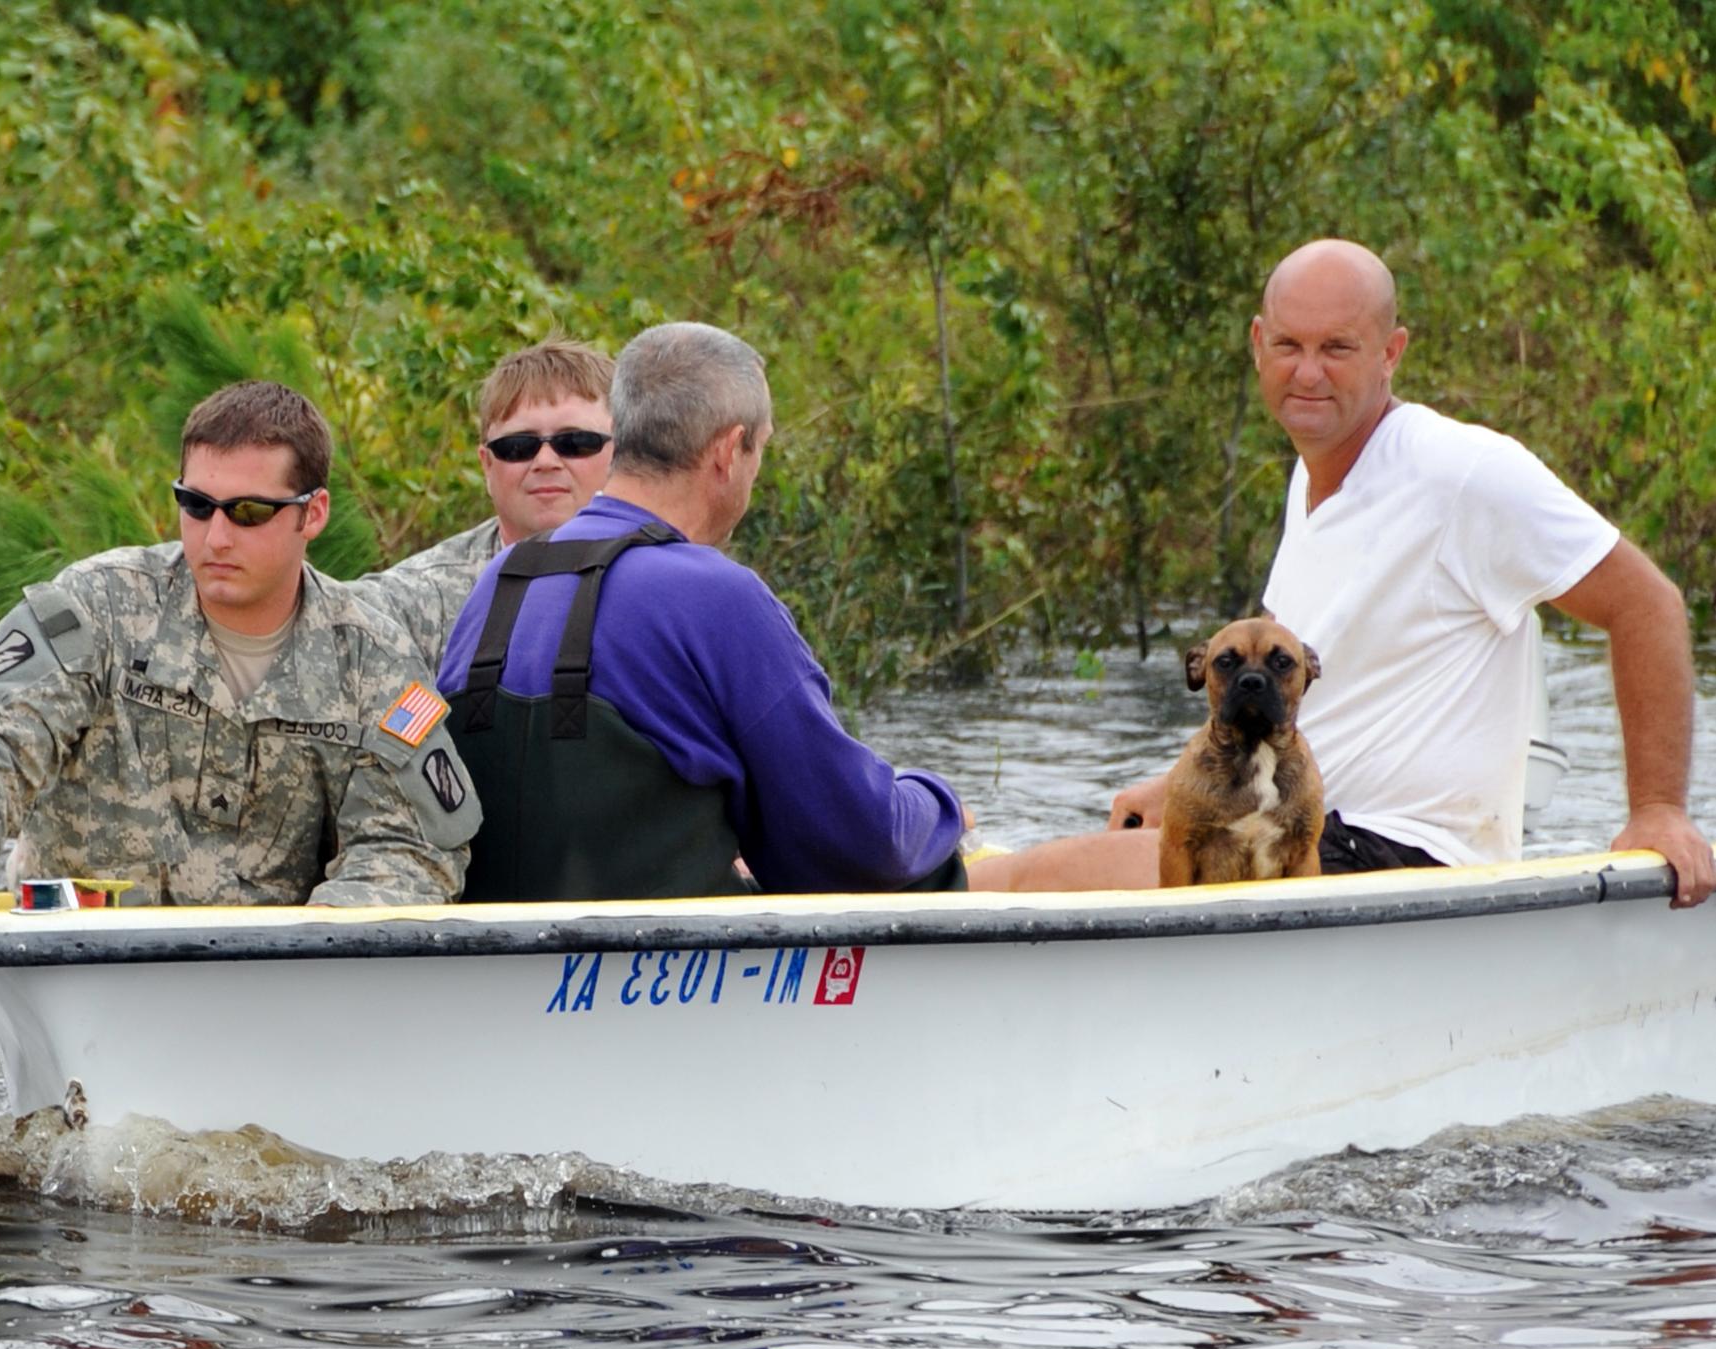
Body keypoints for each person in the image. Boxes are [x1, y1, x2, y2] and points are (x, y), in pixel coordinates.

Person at [971, 238, 1713, 907]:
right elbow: (1316, 698)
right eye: (1289, 345)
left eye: (1337, 347)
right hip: (1302, 823)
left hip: (1398, 858)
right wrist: (1183, 789)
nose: (1308, 373)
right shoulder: (1309, 481)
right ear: (1257, 345)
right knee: (1044, 855)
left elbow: (1646, 602)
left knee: (1022, 878)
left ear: (1390, 352)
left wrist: (1657, 810)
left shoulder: (1461, 472)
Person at [0, 380, 481, 1090]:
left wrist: (319, 944)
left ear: (313, 514)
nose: (216, 536)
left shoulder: (374, 658)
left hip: (266, 999)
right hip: (78, 979)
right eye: (195, 505)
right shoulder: (99, 605)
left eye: (248, 511)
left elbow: (410, 847)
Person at [437, 320, 970, 901]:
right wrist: (935, 801)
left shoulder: (501, 580)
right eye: (758, 450)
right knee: (931, 866)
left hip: (497, 954)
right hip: (668, 966)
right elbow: (860, 844)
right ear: (727, 450)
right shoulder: (720, 595)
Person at [345, 339, 616, 666]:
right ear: (487, 465)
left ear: (622, 455)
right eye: (518, 446)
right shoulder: (412, 604)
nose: (546, 461)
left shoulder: (674, 589)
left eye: (575, 442)